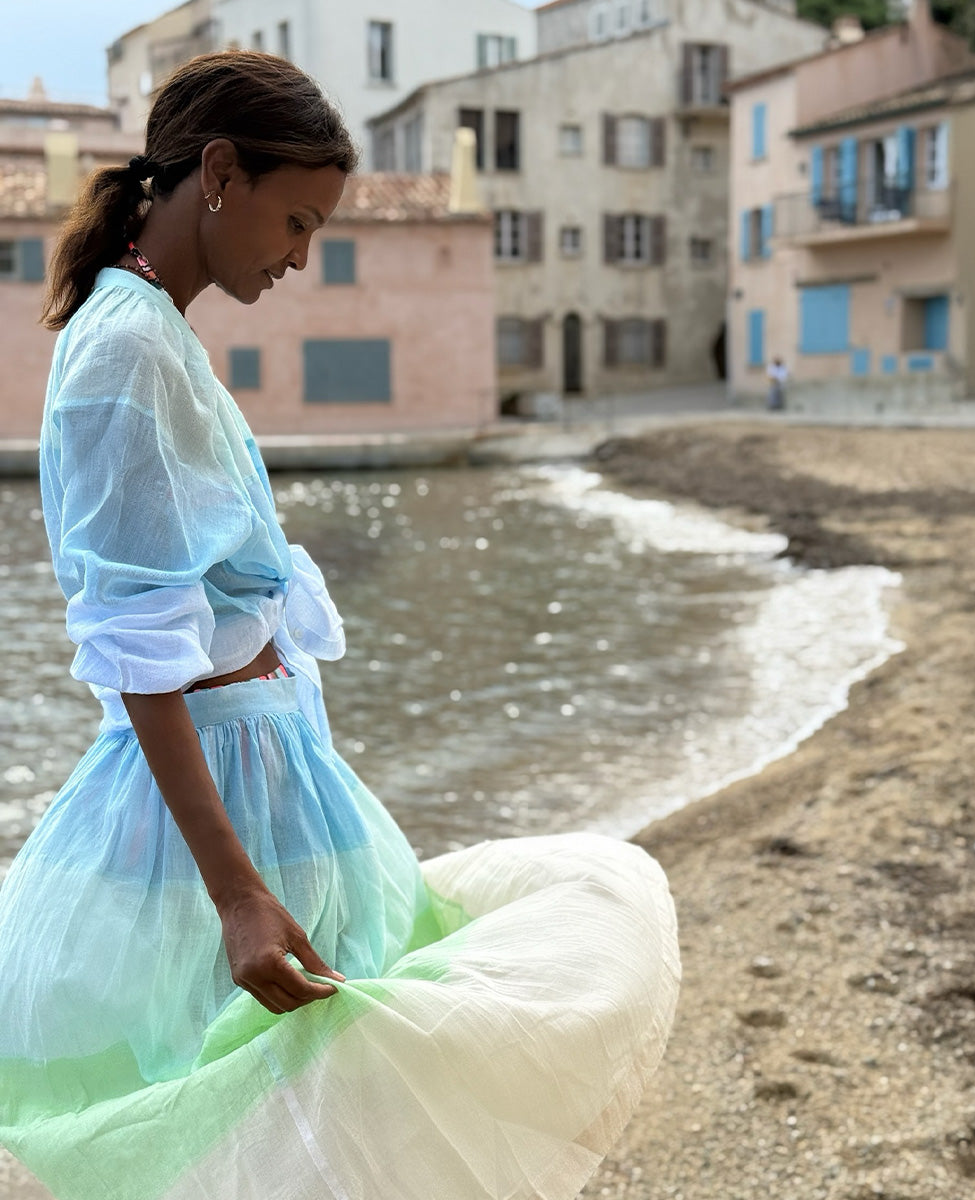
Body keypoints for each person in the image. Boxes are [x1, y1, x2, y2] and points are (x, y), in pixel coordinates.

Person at [0, 52, 679, 1200]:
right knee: (274, 1111)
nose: (301, 258)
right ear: (219, 173)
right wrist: (237, 893)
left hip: (269, 771)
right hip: (221, 795)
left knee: (303, 1110)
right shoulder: (126, 350)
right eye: (297, 219)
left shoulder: (152, 332)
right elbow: (138, 656)